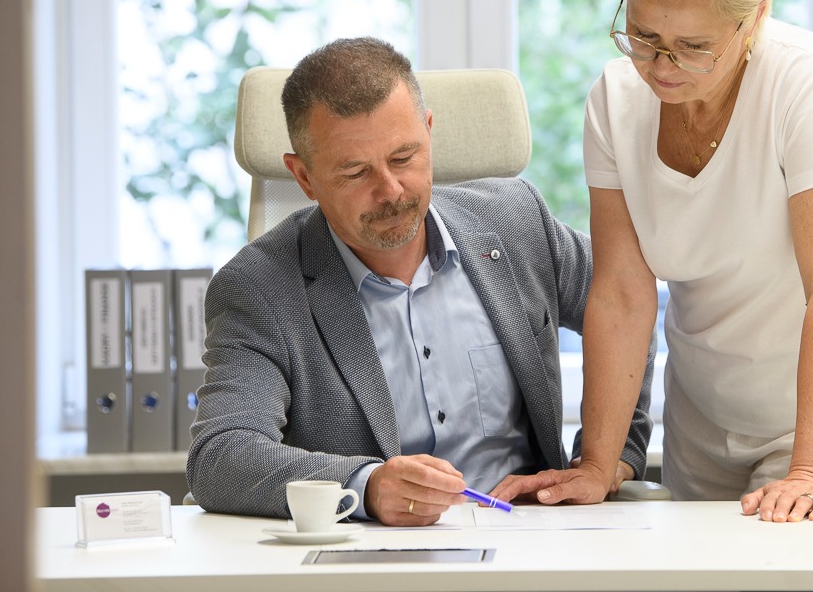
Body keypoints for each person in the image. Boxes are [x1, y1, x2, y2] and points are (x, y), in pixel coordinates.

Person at [491, 0, 813, 523]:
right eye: (643, 35)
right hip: (704, 401)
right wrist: (597, 464)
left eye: (693, 47)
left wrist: (812, 471)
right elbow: (621, 293)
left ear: (754, 18)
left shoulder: (812, 86)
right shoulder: (617, 99)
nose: (662, 67)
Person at [186, 37, 656, 526]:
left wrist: (609, 459)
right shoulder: (260, 287)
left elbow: (627, 304)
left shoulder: (517, 222)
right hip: (373, 561)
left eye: (404, 157)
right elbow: (221, 456)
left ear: (429, 133)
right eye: (355, 171)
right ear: (303, 177)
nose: (390, 191)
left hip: (531, 541)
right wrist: (365, 487)